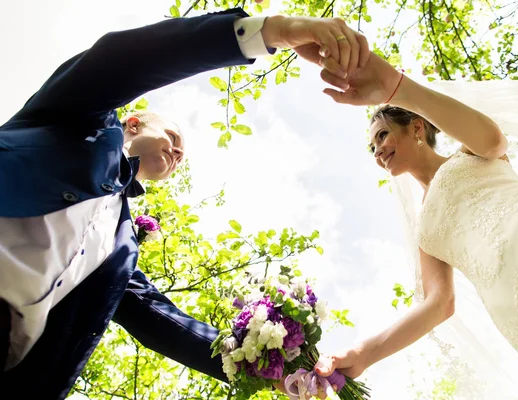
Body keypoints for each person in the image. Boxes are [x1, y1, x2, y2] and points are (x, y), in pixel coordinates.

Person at [0, 8, 369, 398]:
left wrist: (264, 365)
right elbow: (121, 60)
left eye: (181, 155)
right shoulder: (78, 118)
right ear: (135, 121)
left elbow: (161, 321)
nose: (177, 152)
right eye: (173, 137)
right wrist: (276, 31)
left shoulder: (121, 246)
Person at [313, 52, 518, 399]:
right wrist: (364, 353)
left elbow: (494, 140)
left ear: (416, 127)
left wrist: (397, 89)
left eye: (383, 135)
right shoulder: (424, 231)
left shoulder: (470, 152)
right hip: (517, 302)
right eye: (372, 146)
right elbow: (438, 304)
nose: (377, 150)